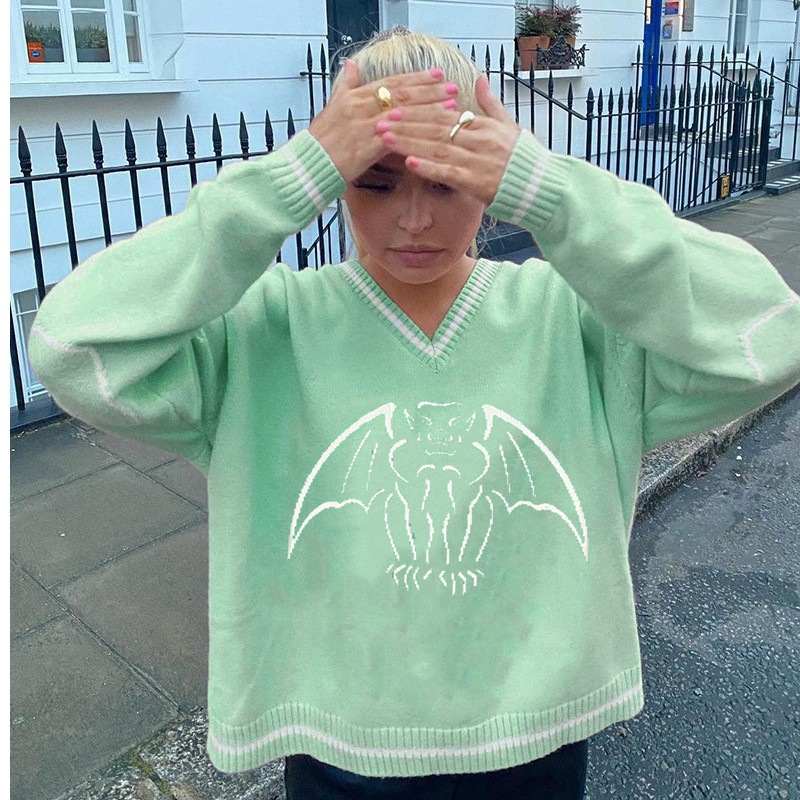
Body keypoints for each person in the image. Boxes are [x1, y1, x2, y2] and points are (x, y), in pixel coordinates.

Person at [29, 27, 800, 800]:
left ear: (491, 180)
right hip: (343, 747)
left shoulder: (572, 321)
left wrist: (551, 190)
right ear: (336, 181)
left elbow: (768, 334)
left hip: (531, 736)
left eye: (446, 183)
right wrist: (286, 181)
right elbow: (73, 346)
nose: (414, 221)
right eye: (375, 183)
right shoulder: (263, 333)